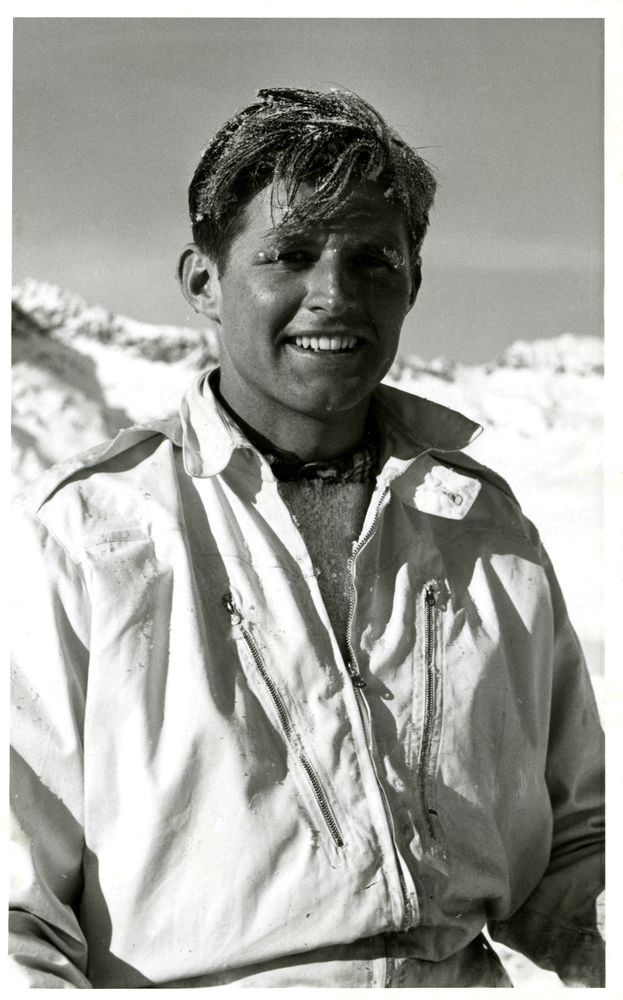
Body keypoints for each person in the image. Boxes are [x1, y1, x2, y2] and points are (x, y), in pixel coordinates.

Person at [10, 87, 604, 988]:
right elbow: (16, 917)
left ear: (411, 283)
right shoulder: (96, 536)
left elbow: (577, 854)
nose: (334, 295)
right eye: (289, 255)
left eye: (372, 261)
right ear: (204, 282)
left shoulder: (481, 528)